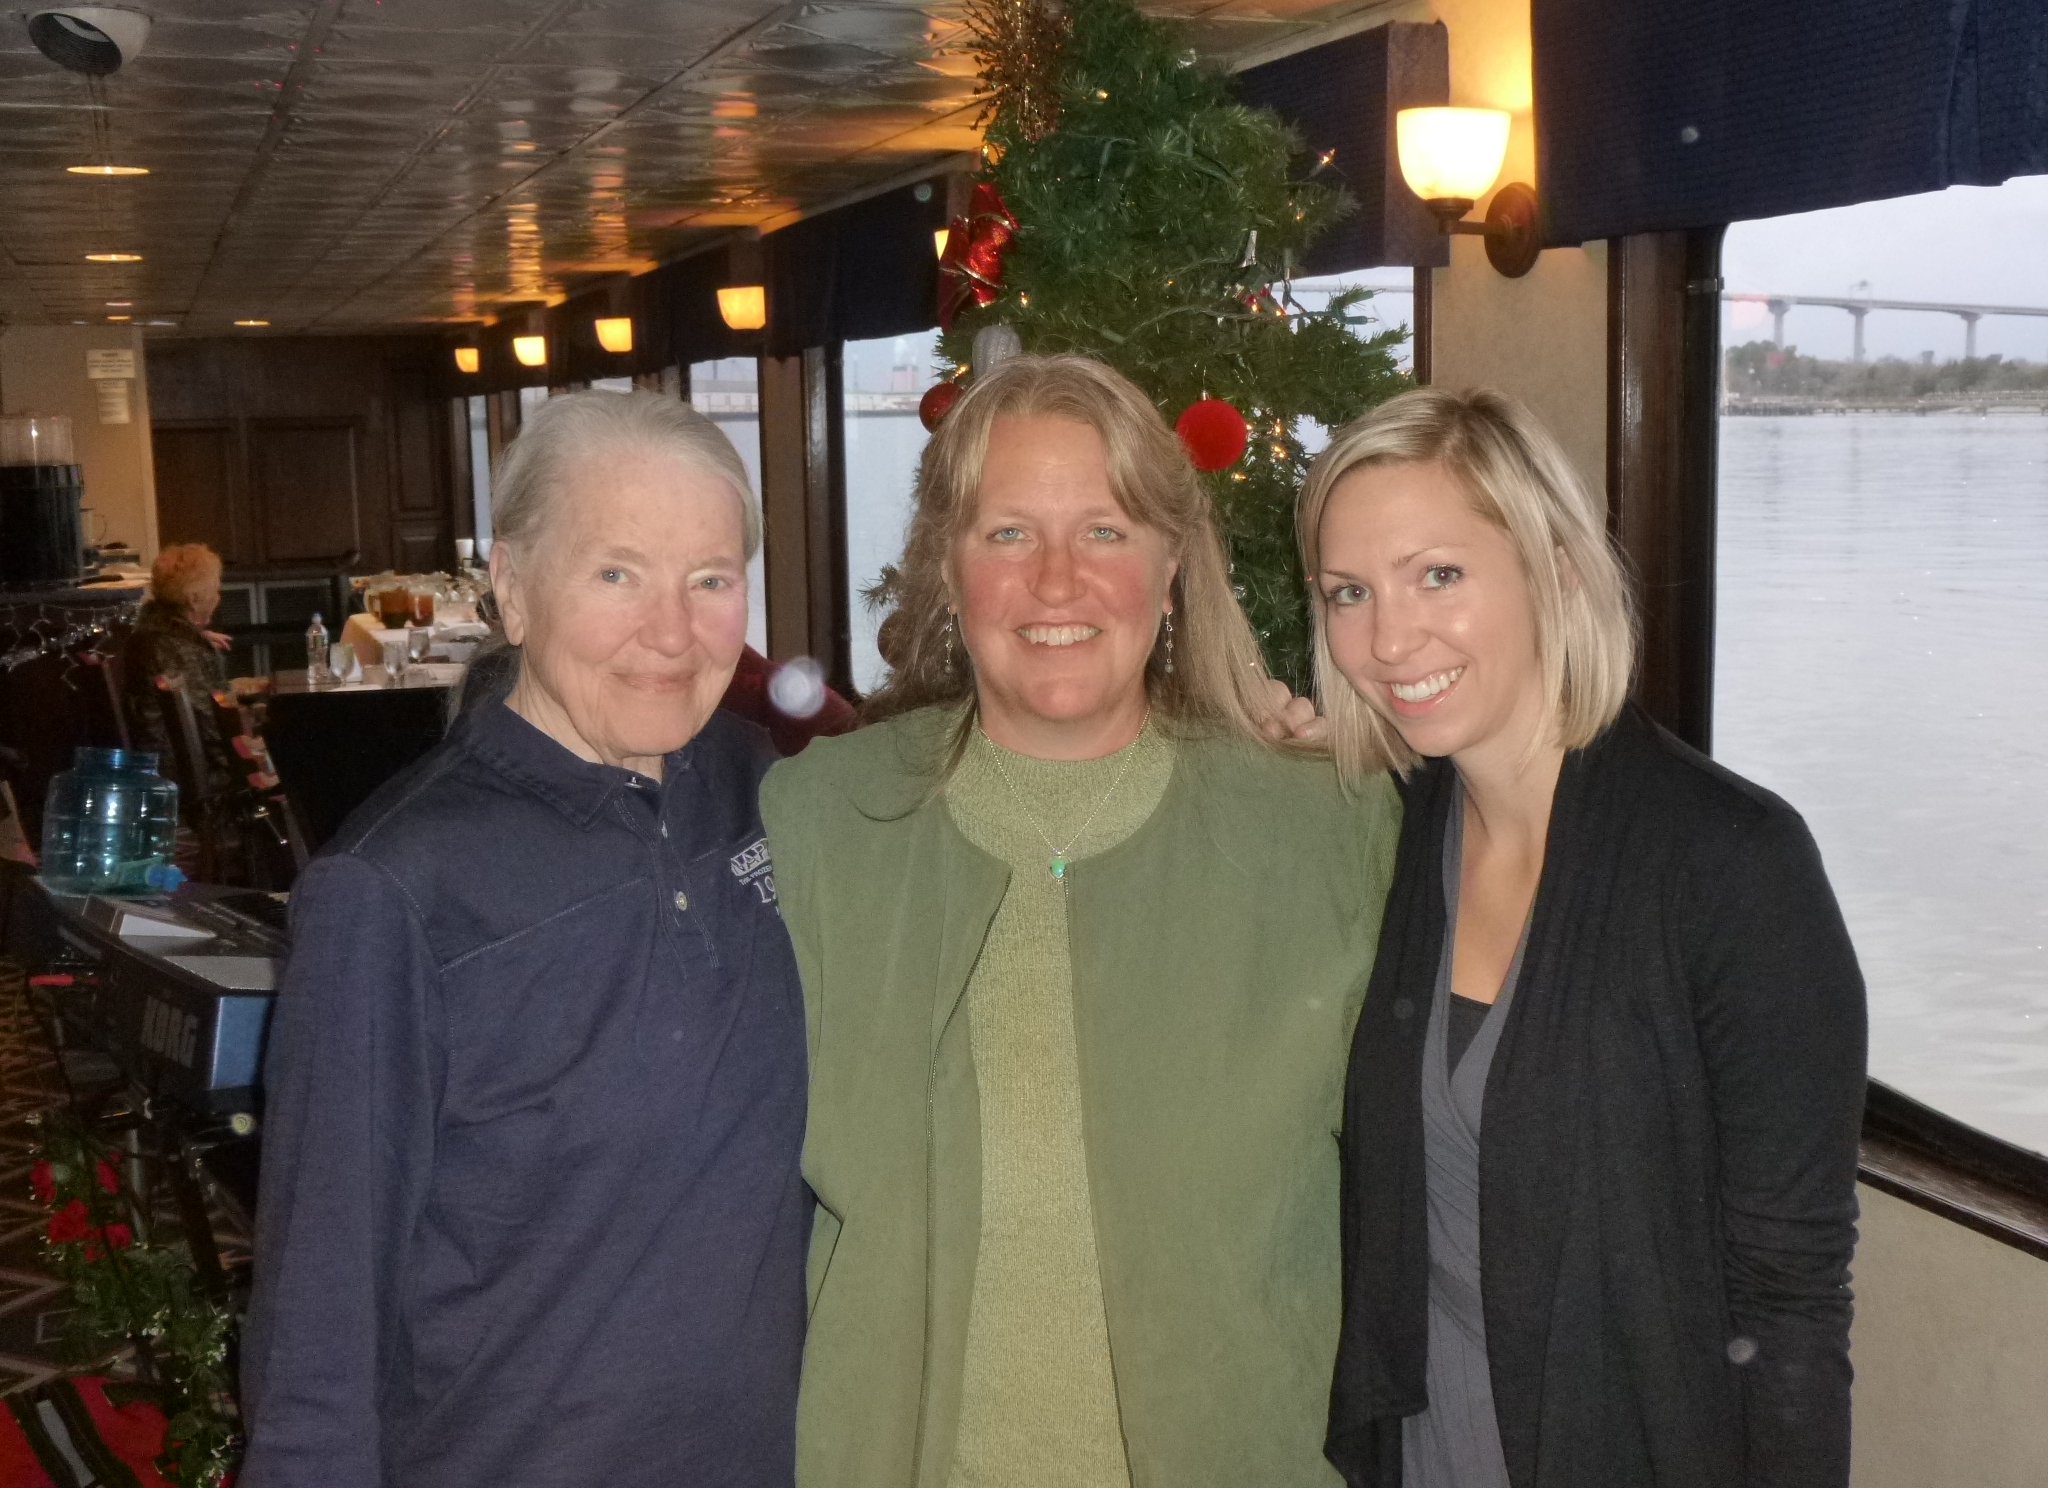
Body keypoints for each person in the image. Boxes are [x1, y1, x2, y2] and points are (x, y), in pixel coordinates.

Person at [760, 353, 1400, 1488]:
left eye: (1105, 531)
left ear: (1171, 567)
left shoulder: (1325, 831)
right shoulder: (821, 823)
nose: (1056, 581)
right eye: (1008, 533)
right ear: (948, 569)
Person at [241, 391, 809, 1488]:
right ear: (511, 586)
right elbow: (319, 1317)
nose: (672, 632)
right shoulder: (392, 890)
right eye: (617, 574)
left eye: (710, 579)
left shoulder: (762, 791)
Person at [1301, 388, 1866, 1488]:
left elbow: (1792, 1297)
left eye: (1438, 575)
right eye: (1348, 593)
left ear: (1554, 570)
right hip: (1426, 1438)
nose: (1389, 639)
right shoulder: (1402, 828)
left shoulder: (1731, 864)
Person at [123, 542, 232, 761]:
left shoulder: (152, 633)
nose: (218, 597)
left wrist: (197, 635)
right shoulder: (179, 649)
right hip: (184, 768)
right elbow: (210, 728)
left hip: (162, 759)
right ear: (194, 598)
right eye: (215, 590)